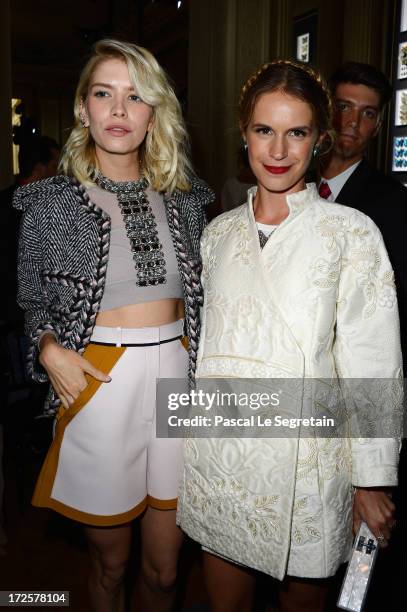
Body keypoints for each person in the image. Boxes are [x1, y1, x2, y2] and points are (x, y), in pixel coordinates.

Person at [176, 60, 401, 612]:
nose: (278, 150)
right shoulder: (216, 234)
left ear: (319, 138)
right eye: (264, 130)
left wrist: (372, 481)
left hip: (307, 465)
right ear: (244, 134)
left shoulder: (350, 233)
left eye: (296, 132)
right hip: (222, 458)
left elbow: (372, 360)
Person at [14, 39, 213, 612]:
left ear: (155, 113)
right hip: (99, 377)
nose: (119, 110)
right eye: (104, 94)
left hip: (179, 378)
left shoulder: (187, 199)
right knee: (110, 563)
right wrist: (47, 345)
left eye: (135, 97)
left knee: (167, 572)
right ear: (84, 108)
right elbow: (32, 301)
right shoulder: (48, 202)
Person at [318, 61, 407, 360]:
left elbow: (395, 305)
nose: (353, 122)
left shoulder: (394, 203)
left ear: (378, 126)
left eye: (367, 113)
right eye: (343, 107)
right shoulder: (291, 182)